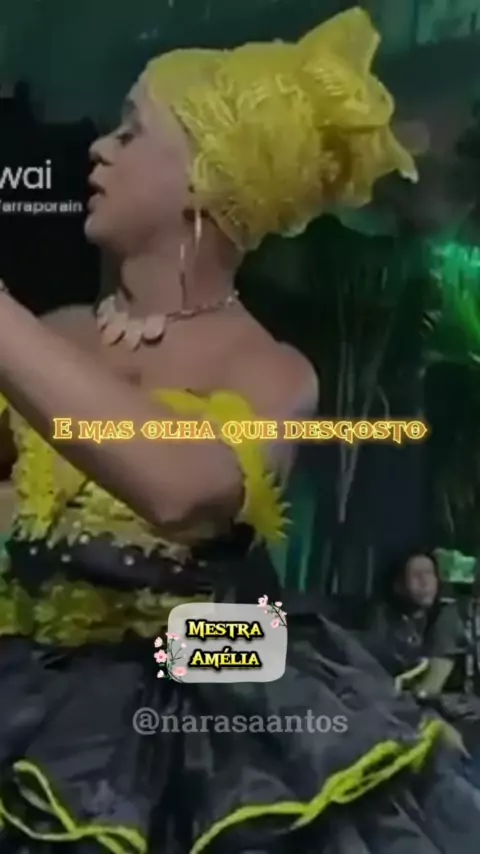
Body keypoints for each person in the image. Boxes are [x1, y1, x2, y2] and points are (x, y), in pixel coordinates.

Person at [0, 7, 478, 852]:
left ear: (203, 180)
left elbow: (181, 488)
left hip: (207, 688)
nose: (99, 148)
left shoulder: (274, 372)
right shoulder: (54, 334)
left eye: (130, 131)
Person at [364, 550, 464, 694]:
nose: (425, 582)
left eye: (429, 573)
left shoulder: (448, 619)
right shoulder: (382, 619)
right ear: (398, 585)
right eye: (416, 575)